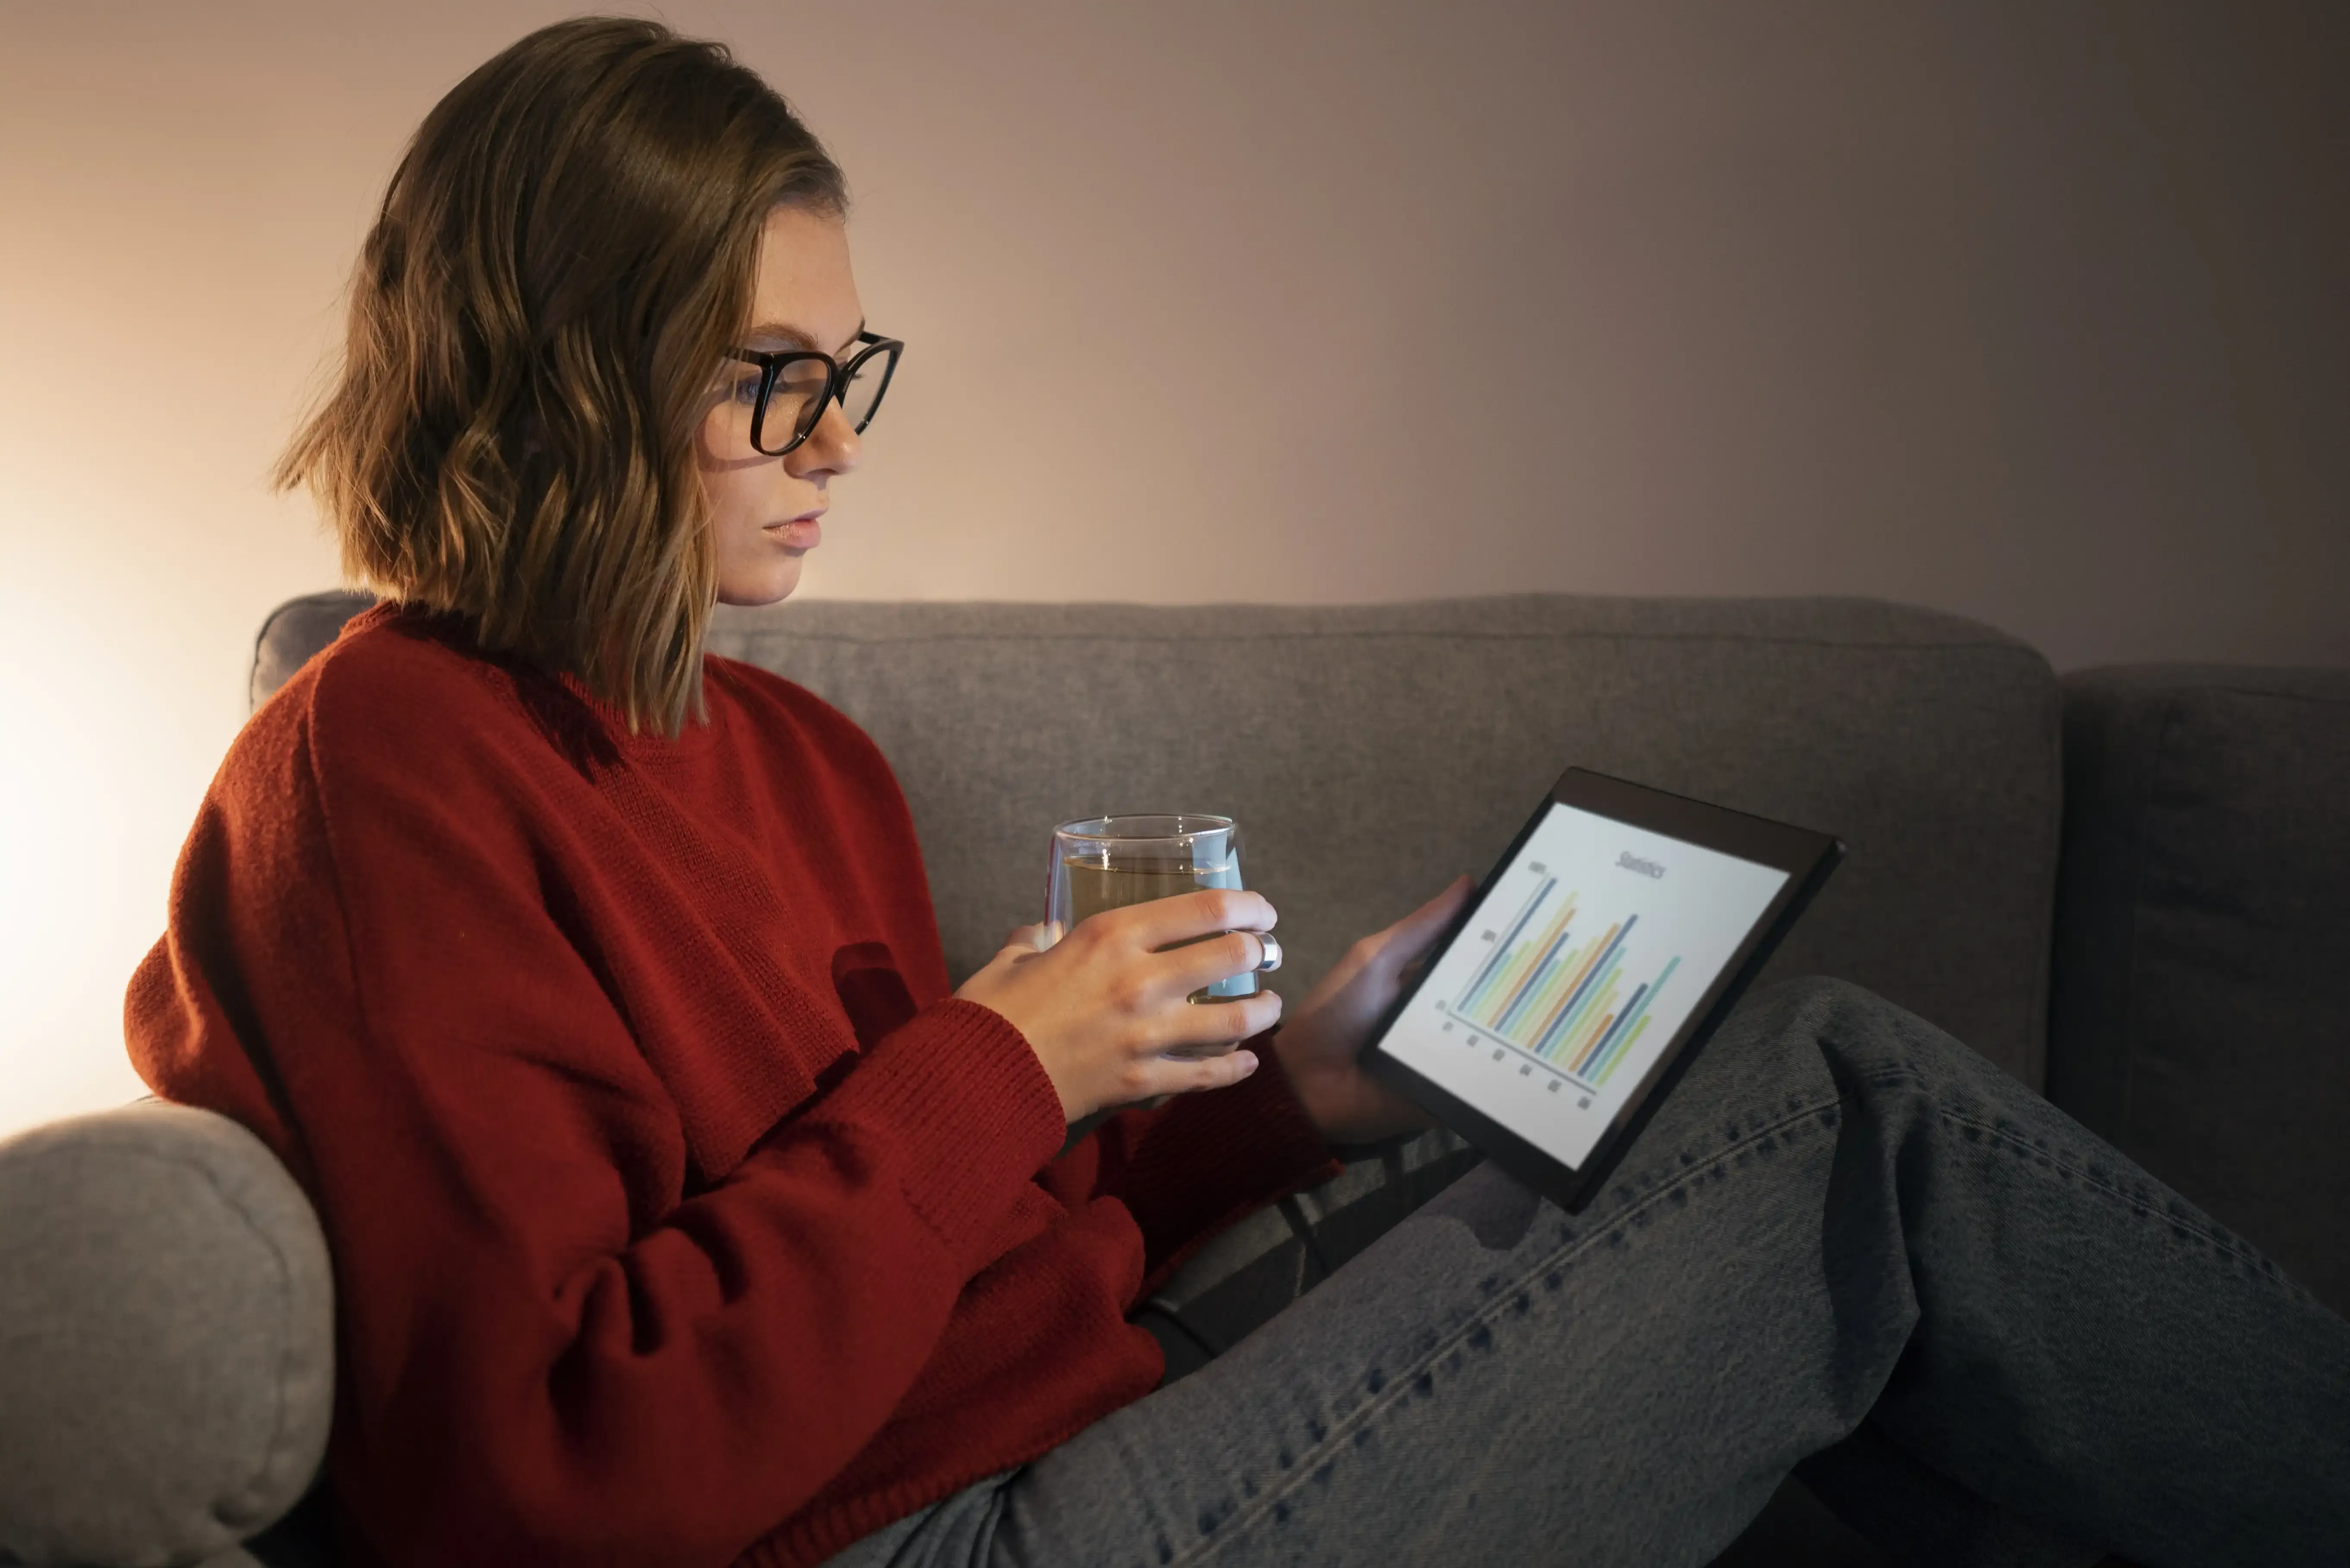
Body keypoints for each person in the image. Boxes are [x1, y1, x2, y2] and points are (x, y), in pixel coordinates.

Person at [126, 18, 2347, 1568]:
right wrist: (1005, 1050)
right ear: (568, 373)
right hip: (905, 1540)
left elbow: (969, 1242)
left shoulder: (791, 751)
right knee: (1830, 1099)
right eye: (771, 382)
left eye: (849, 372)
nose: (836, 445)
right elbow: (543, 1476)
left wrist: (1307, 1085)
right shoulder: (384, 774)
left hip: (1097, 1409)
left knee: (1739, 1149)